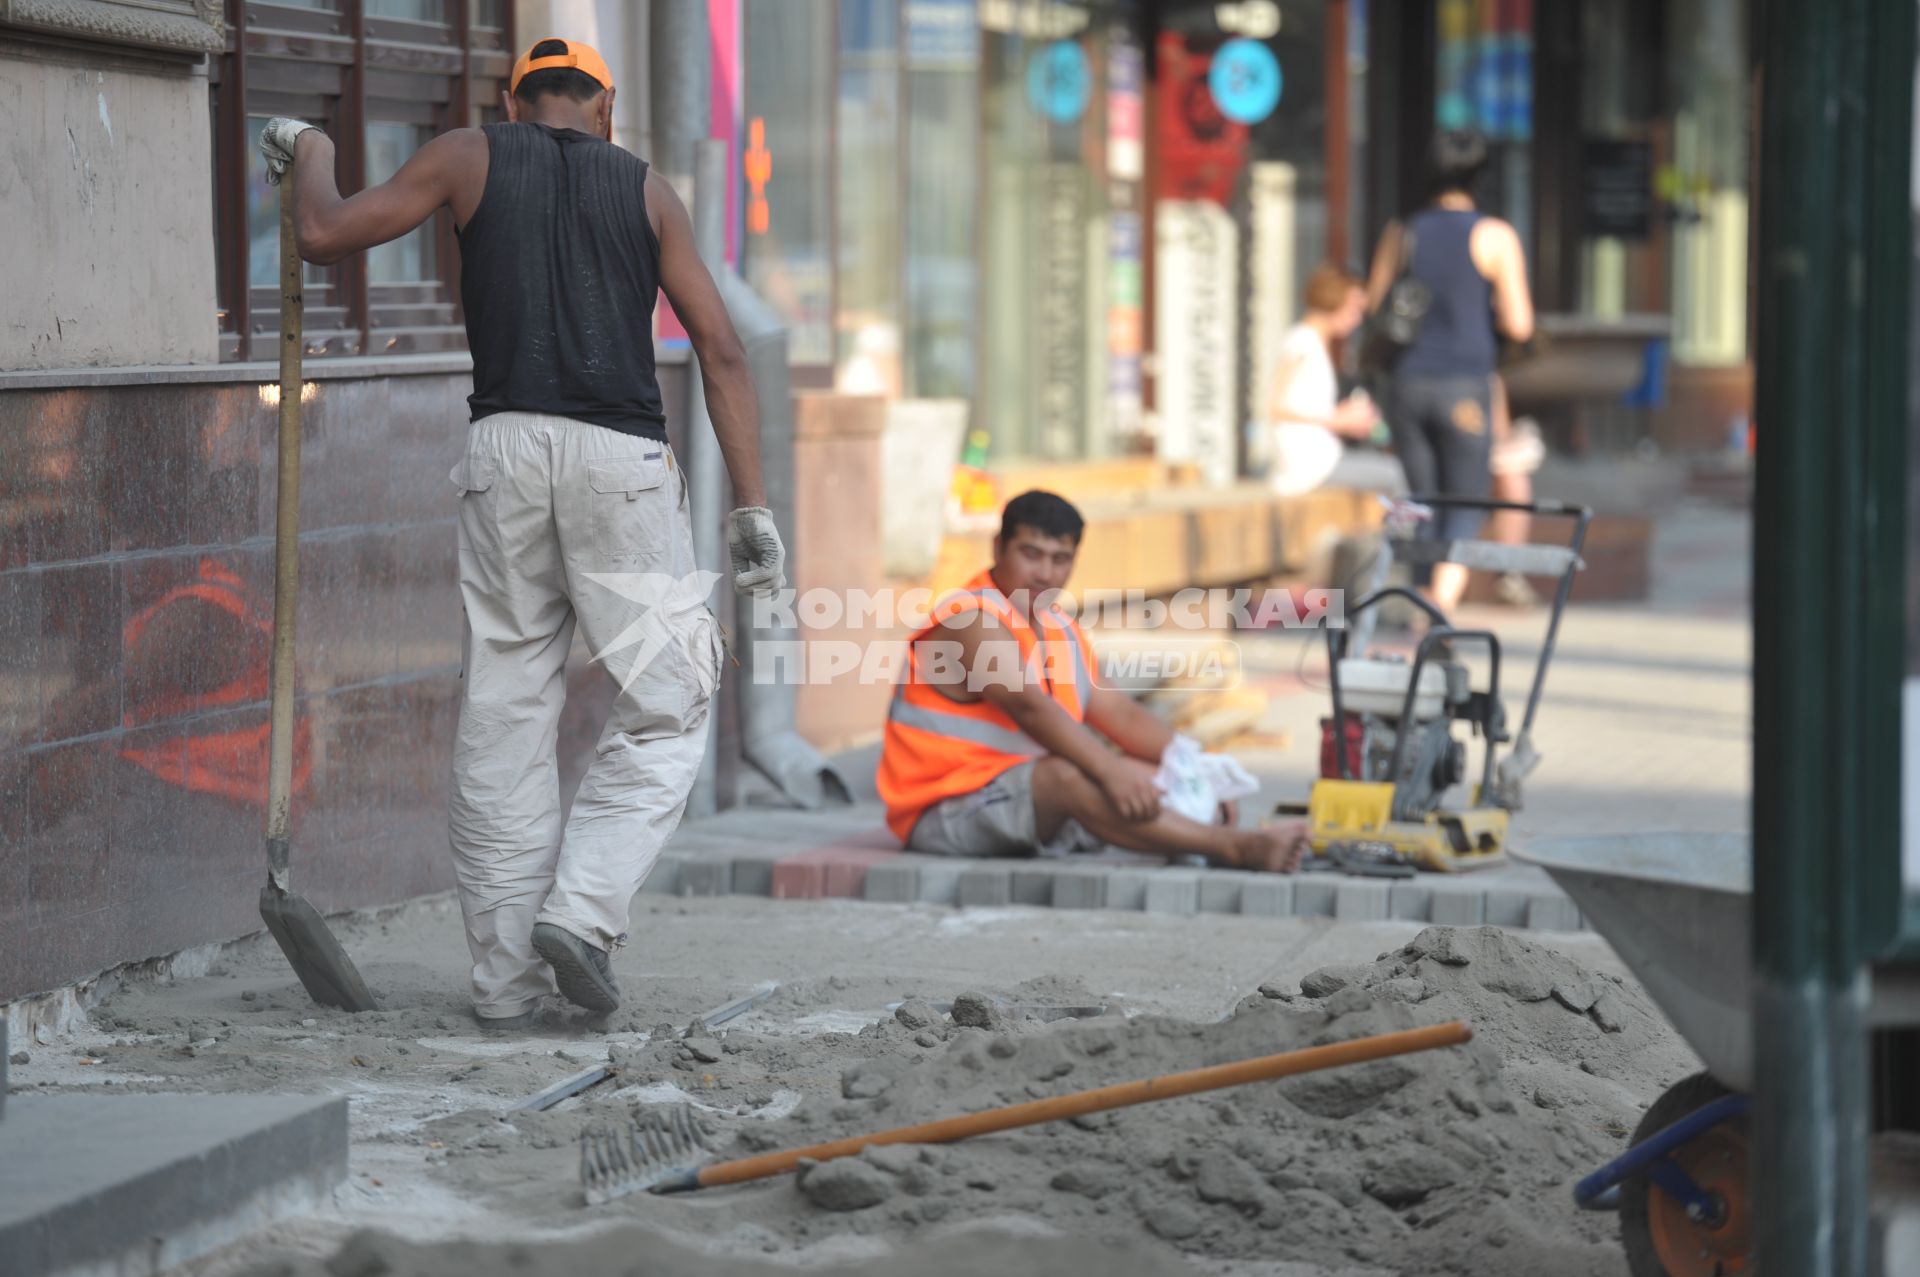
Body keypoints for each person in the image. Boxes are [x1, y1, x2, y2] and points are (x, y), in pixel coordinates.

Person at [259, 36, 787, 1030]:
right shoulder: (645, 189)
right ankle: (583, 914)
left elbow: (322, 233)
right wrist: (753, 505)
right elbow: (720, 344)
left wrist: (311, 141)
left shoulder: (468, 154)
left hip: (502, 450)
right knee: (670, 700)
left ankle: (504, 985)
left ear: (516, 101)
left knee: (505, 707)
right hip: (619, 463)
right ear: (604, 107)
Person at [876, 491, 1310, 873]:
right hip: (941, 811)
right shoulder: (971, 619)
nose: (1045, 573)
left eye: (1060, 559)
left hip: (1012, 793)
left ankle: (1187, 836)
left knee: (1158, 779)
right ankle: (1238, 849)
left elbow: (1116, 712)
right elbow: (1031, 707)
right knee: (1075, 774)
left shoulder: (1059, 627)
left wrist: (1193, 767)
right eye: (1031, 554)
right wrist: (1111, 772)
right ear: (998, 549)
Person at [1367, 131, 1535, 615]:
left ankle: (1424, 598)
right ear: (1481, 176)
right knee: (1466, 500)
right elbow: (1519, 322)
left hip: (1406, 383)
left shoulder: (1404, 231)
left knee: (1421, 500)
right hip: (1464, 383)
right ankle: (1438, 605)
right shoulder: (1494, 235)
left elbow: (1377, 306)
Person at [1262, 264, 1397, 497]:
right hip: (1309, 466)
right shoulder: (1303, 342)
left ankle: (1398, 532)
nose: (1356, 320)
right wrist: (1336, 420)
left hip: (1319, 460)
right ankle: (1407, 533)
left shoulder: (1312, 343)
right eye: (1353, 309)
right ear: (1332, 301)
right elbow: (1275, 407)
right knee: (1394, 474)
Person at [1487, 374, 1546, 606]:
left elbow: (1499, 433)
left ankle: (1509, 572)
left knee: (1514, 482)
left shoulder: (1488, 376)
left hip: (1479, 455)